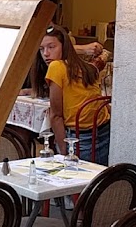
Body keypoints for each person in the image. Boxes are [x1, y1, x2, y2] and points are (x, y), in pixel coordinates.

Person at [40, 25, 110, 165]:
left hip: (80, 138)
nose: (46, 53)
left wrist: (64, 152)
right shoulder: (84, 67)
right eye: (41, 49)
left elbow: (56, 115)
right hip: (105, 131)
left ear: (64, 46)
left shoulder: (56, 67)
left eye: (51, 47)